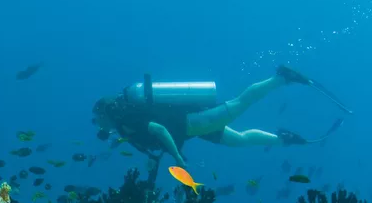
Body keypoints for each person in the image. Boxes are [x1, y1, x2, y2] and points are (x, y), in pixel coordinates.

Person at [92, 67, 346, 167]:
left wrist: (177, 156)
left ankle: (281, 77)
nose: (97, 125)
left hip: (190, 123)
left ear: (104, 111)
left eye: (97, 118)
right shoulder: (123, 122)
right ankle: (285, 139)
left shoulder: (126, 118)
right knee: (240, 140)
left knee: (238, 104)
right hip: (191, 128)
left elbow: (158, 129)